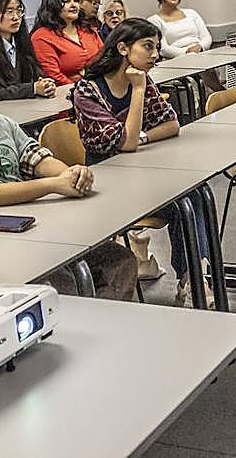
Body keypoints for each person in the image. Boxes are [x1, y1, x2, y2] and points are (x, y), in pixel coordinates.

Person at [0, 37, 135, 299]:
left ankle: (99, 326)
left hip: (26, 226)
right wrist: (53, 185)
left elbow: (35, 158)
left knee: (119, 261)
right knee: (61, 282)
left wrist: (69, 174)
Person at [72, 19, 209, 307]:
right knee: (183, 202)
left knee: (193, 193)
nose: (155, 55)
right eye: (148, 46)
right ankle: (194, 276)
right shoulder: (88, 91)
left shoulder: (144, 81)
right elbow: (125, 143)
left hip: (141, 175)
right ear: (122, 48)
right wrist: (137, 91)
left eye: (157, 47)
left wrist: (144, 136)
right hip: (107, 184)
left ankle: (194, 276)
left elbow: (171, 123)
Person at [0, 0, 56, 103]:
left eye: (19, 10)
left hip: (30, 109)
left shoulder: (24, 43)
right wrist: (32, 88)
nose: (16, 17)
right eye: (9, 11)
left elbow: (37, 73)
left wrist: (45, 84)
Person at [29, 0, 104, 85]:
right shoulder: (41, 37)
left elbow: (105, 58)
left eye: (76, 0)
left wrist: (83, 73)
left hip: (99, 87)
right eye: (67, 1)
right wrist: (80, 88)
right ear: (53, 5)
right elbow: (53, 76)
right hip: (66, 93)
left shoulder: (87, 29)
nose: (73, 5)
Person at [147, 0, 212, 58]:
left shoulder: (191, 13)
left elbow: (207, 37)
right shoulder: (154, 21)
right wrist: (188, 53)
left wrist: (200, 47)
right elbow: (163, 49)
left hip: (201, 54)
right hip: (177, 60)